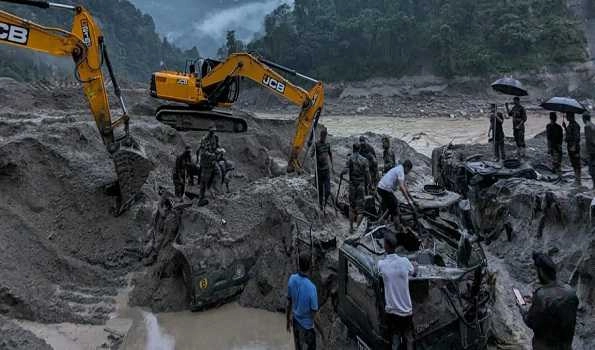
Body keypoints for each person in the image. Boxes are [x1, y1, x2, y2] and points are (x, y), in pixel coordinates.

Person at [521, 252, 578, 350]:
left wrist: (522, 308)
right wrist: (535, 301)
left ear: (541, 272)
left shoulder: (541, 296)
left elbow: (531, 322)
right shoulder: (570, 291)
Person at [378, 231, 417, 350]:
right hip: (406, 311)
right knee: (408, 337)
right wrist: (415, 266)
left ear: (386, 246)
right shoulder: (405, 262)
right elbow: (414, 273)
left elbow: (378, 274)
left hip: (392, 312)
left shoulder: (382, 265)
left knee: (395, 338)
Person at [286, 253, 324, 350]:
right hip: (307, 329)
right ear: (310, 266)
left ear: (299, 264)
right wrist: (322, 333)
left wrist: (287, 320)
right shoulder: (311, 288)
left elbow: (289, 303)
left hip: (295, 323)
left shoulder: (292, 279)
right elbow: (314, 315)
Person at [377, 160, 417, 227]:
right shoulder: (400, 171)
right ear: (407, 167)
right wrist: (409, 202)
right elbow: (402, 188)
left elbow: (405, 188)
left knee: (393, 204)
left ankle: (381, 221)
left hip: (381, 188)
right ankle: (398, 228)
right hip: (385, 189)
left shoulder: (399, 168)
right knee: (395, 209)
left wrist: (412, 200)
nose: (409, 172)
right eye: (409, 170)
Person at [341, 143, 370, 232]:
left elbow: (345, 171)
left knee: (352, 207)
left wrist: (341, 173)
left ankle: (351, 227)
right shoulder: (364, 160)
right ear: (359, 149)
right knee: (360, 209)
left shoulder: (350, 159)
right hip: (361, 185)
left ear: (353, 149)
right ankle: (357, 228)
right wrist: (368, 184)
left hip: (352, 185)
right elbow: (367, 174)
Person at [310, 128, 334, 213]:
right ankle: (321, 206)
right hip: (319, 171)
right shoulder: (316, 144)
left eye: (325, 136)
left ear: (326, 136)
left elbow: (330, 154)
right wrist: (313, 150)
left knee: (328, 191)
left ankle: (325, 204)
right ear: (320, 136)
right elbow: (311, 155)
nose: (323, 138)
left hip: (326, 170)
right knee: (320, 191)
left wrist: (332, 166)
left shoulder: (327, 144)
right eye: (322, 136)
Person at [197, 124, 220, 202]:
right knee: (204, 181)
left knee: (218, 173)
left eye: (214, 131)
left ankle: (215, 191)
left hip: (213, 162)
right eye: (212, 131)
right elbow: (203, 152)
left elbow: (217, 146)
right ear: (209, 131)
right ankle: (201, 198)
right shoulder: (204, 139)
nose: (213, 133)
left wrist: (220, 150)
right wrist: (212, 154)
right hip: (206, 163)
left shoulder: (215, 138)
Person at [563, 113, 582, 186]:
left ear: (571, 116)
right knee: (574, 163)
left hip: (574, 147)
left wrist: (573, 146)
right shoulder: (570, 125)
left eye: (568, 116)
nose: (567, 117)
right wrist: (565, 127)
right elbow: (569, 135)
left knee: (576, 163)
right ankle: (576, 179)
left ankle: (578, 180)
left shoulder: (575, 125)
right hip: (570, 146)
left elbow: (577, 137)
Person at [583, 113, 595, 188]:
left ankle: (594, 186)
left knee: (592, 169)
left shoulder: (587, 126)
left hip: (592, 151)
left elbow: (591, 139)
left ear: (583, 119)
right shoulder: (593, 125)